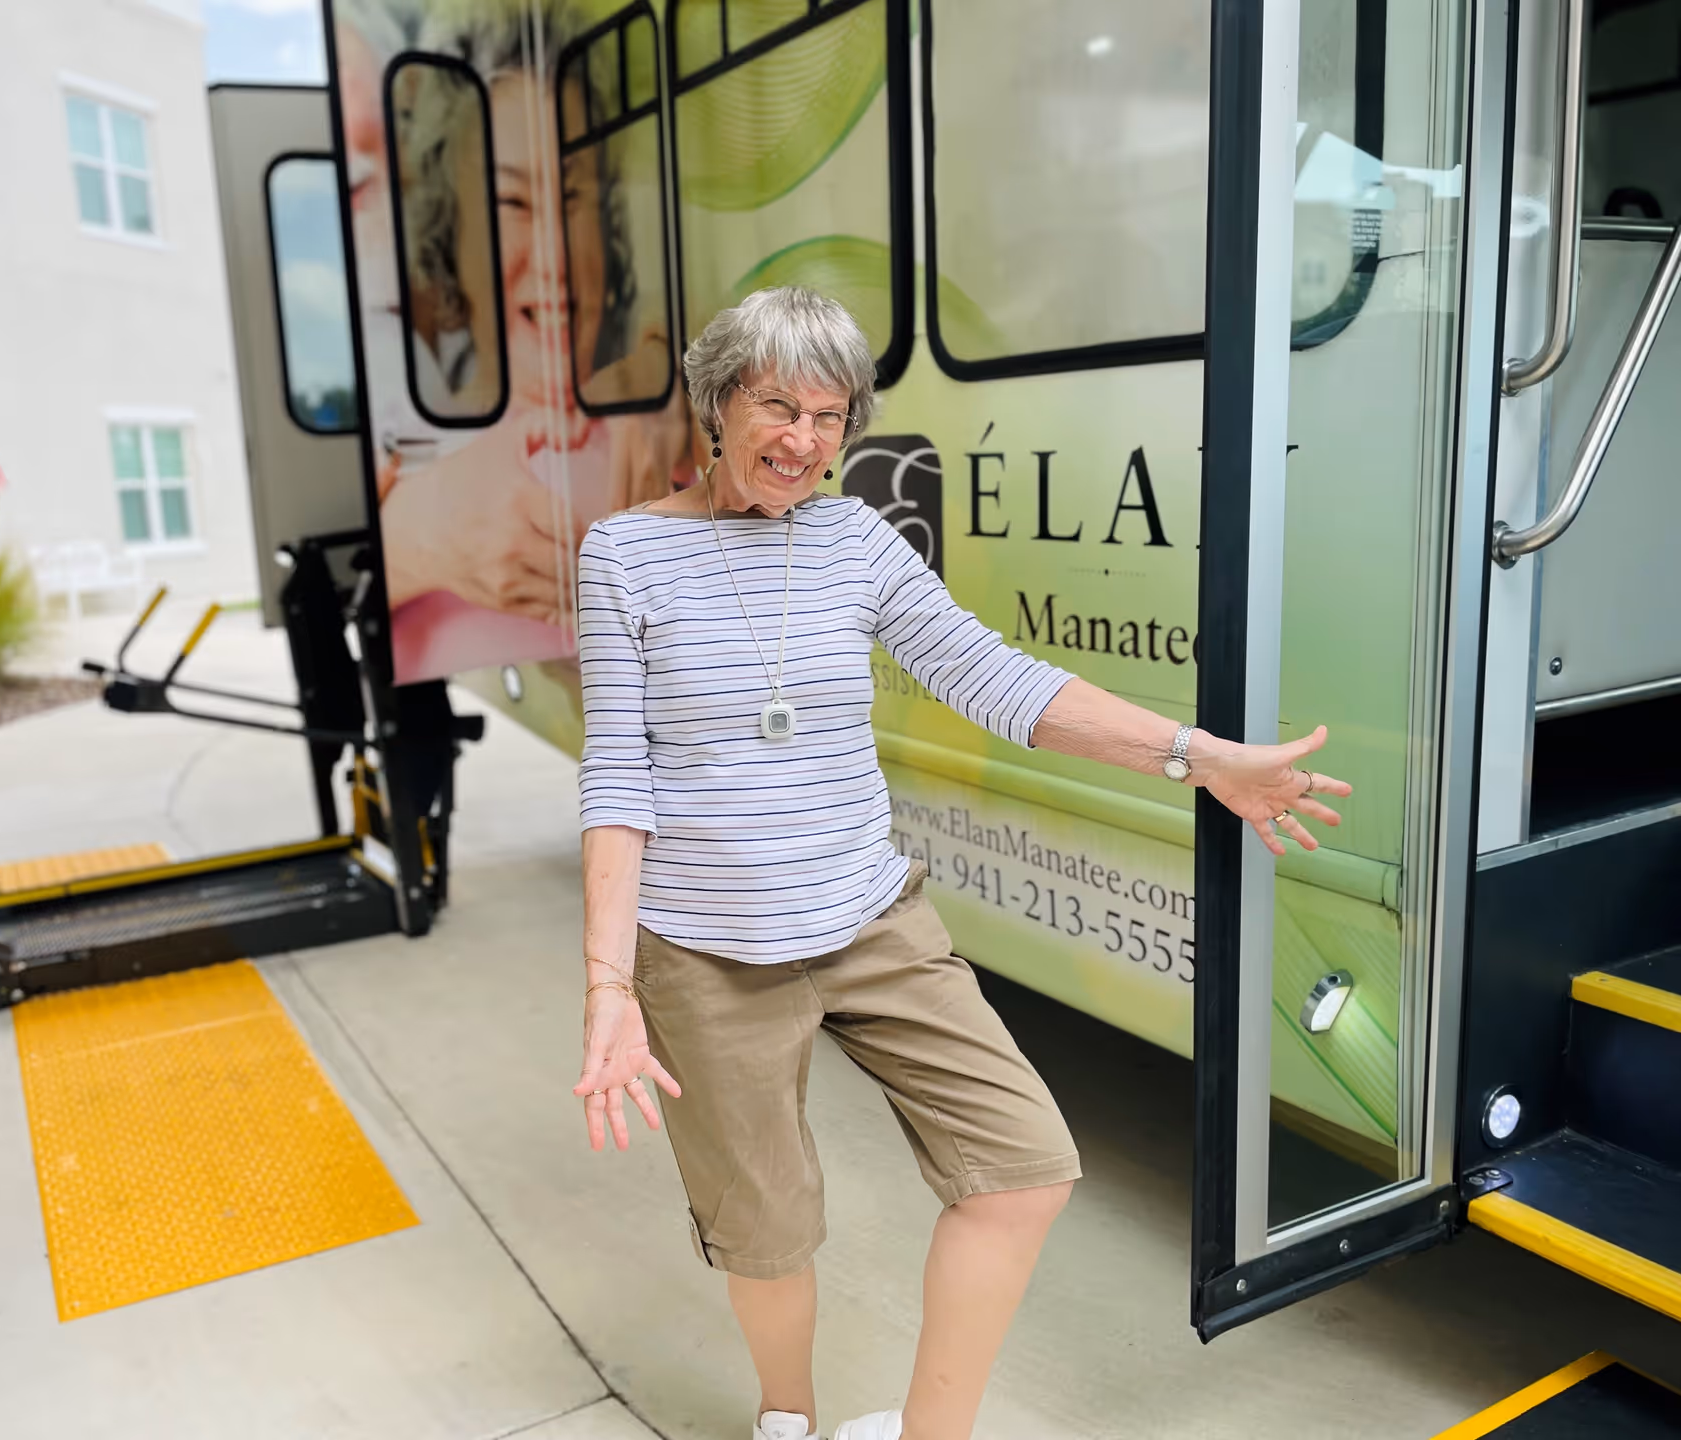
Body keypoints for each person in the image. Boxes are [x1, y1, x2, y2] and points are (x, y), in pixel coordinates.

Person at [572, 287, 1353, 1440]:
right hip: (704, 947)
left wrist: (1199, 758)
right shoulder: (626, 554)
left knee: (1024, 1166)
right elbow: (618, 779)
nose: (803, 439)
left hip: (870, 918)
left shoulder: (853, 541)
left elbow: (1002, 681)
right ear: (717, 404)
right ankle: (786, 1416)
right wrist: (608, 986)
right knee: (768, 1229)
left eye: (831, 416)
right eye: (777, 404)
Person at [334, 0, 694, 682]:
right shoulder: (404, 436)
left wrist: (670, 373)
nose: (555, 256)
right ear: (452, 232)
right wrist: (418, 542)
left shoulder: (652, 406)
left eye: (576, 197)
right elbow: (330, 604)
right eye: (514, 204)